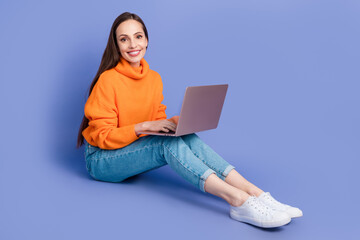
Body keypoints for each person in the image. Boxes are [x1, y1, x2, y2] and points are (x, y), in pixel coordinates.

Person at [76, 12, 303, 228]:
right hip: (101, 160)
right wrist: (144, 127)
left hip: (129, 149)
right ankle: (238, 201)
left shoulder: (154, 79)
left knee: (185, 136)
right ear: (116, 45)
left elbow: (155, 121)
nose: (133, 45)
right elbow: (102, 137)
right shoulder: (108, 80)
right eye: (124, 39)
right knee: (167, 144)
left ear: (147, 40)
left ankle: (254, 192)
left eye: (138, 36)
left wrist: (178, 123)